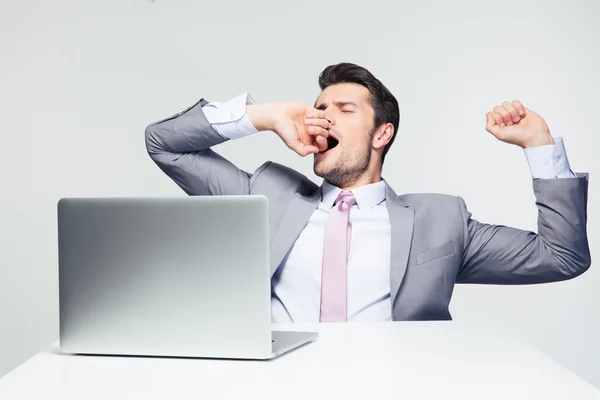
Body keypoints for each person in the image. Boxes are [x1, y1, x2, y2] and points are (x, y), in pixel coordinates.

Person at [144, 62, 590, 322]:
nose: (323, 118)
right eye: (319, 109)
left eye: (344, 109)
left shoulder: (441, 222)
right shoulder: (265, 195)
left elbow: (562, 257)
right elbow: (164, 144)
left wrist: (539, 146)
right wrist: (262, 114)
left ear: (382, 134)